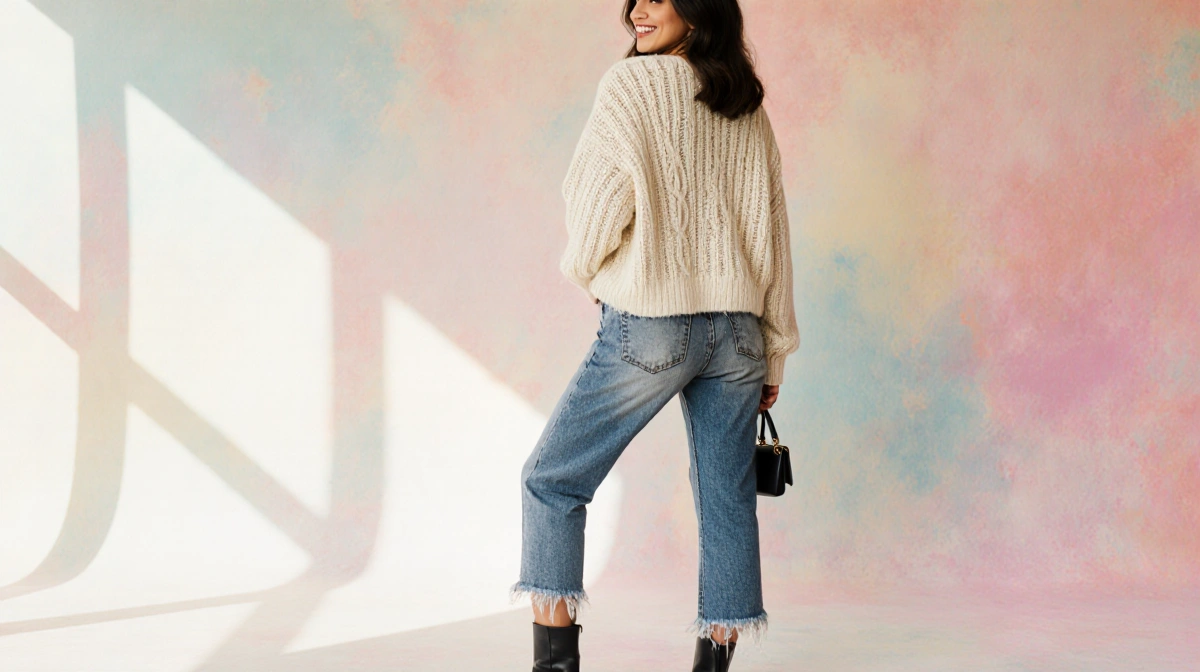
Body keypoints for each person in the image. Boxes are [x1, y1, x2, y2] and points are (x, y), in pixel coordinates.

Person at [509, 0, 799, 669]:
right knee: (725, 502)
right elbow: (772, 235)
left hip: (653, 327)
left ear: (698, 10)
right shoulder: (743, 101)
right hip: (739, 336)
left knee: (551, 482)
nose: (637, 11)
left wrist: (590, 269)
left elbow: (595, 202)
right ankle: (714, 663)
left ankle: (554, 664)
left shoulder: (630, 85)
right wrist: (775, 348)